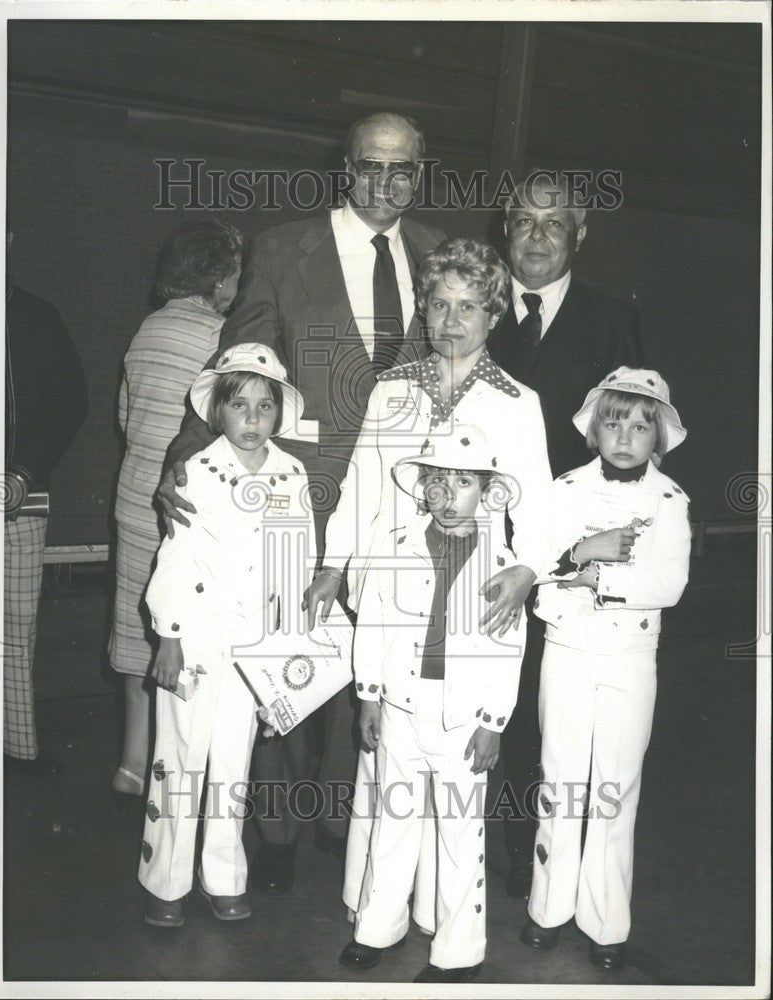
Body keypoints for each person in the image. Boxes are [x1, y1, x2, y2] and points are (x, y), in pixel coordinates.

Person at [158, 111, 445, 892]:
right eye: (368, 166)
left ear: (419, 173)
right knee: (283, 654)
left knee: (374, 663)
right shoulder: (285, 250)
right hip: (291, 497)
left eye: (402, 169)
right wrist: (185, 461)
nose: (385, 184)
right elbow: (234, 365)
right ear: (342, 168)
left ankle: (341, 818)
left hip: (398, 504)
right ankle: (277, 827)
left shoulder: (436, 255)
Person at [304, 238, 552, 938]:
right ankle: (373, 905)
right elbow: (357, 487)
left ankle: (442, 919)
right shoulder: (392, 387)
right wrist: (334, 561)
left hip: (466, 592)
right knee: (388, 764)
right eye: (438, 304)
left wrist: (527, 566)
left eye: (468, 307)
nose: (451, 320)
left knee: (448, 775)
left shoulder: (516, 401)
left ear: (492, 314)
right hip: (392, 594)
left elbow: (533, 501)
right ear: (423, 307)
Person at [486, 170, 645, 898]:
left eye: (554, 224)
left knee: (548, 715)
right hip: (477, 543)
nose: (538, 237)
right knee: (485, 700)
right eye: (524, 221)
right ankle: (475, 847)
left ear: (579, 236)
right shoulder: (472, 310)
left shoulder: (613, 320)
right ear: (504, 231)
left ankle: (535, 861)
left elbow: (633, 447)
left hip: (567, 555)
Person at [339, 427, 525, 984]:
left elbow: (509, 649)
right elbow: (371, 626)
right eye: (438, 482)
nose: (448, 493)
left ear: (487, 492)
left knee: (460, 833)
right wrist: (368, 695)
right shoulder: (395, 547)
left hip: (464, 721)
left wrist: (494, 723)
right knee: (392, 822)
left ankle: (459, 950)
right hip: (399, 708)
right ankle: (377, 927)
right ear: (423, 489)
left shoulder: (504, 564)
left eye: (463, 482)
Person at [138, 344, 315, 927]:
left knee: (233, 762)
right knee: (180, 756)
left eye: (266, 406)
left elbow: (296, 569)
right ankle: (166, 882)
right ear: (218, 410)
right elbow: (176, 555)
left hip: (252, 646)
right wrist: (168, 635)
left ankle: (223, 876)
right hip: (193, 640)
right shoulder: (195, 472)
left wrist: (283, 660)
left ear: (279, 413)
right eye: (240, 404)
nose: (253, 417)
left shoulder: (292, 473)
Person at [520, 366, 690, 971]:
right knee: (560, 778)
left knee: (615, 788)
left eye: (641, 426)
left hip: (629, 657)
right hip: (567, 649)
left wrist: (599, 577)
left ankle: (606, 919)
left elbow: (668, 583)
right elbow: (540, 574)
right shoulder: (564, 490)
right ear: (594, 430)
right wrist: (576, 565)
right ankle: (548, 909)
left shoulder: (670, 501)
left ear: (658, 438)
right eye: (613, 422)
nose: (624, 436)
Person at [109, 221, 242, 803]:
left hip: (135, 494)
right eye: (236, 269)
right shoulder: (220, 337)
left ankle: (132, 765)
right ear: (217, 276)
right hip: (187, 505)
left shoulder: (147, 329)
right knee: (185, 635)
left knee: (136, 634)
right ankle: (179, 775)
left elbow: (125, 414)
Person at [4, 270, 88, 775]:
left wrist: (25, 470)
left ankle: (17, 752)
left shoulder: (36, 316)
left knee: (16, 631)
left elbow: (69, 402)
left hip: (20, 497)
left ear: (8, 236)